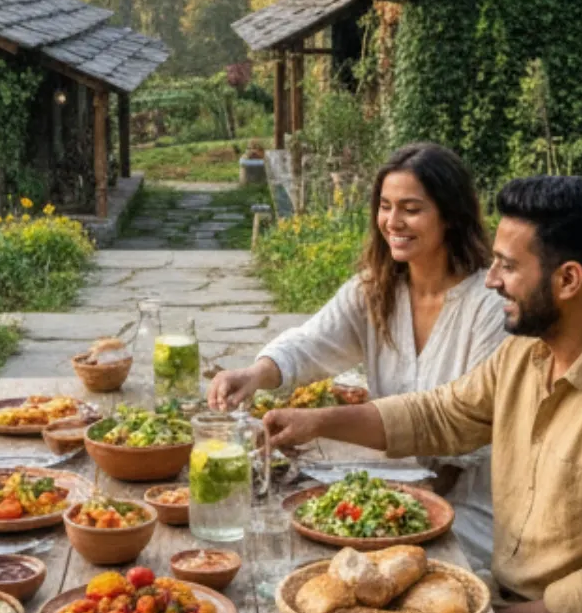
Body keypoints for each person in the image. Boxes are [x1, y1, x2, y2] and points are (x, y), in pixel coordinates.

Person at [261, 176, 582, 613]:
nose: (491, 280)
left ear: (568, 281)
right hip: (517, 608)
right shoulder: (529, 352)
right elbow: (441, 414)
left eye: (508, 266)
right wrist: (314, 423)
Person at [207, 141, 505, 562]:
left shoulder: (489, 307)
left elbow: (471, 437)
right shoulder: (378, 288)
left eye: (411, 209)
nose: (393, 222)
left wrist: (324, 424)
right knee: (285, 544)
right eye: (385, 206)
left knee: (335, 564)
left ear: (452, 216)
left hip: (469, 512)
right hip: (399, 491)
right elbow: (312, 341)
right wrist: (256, 373)